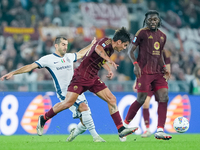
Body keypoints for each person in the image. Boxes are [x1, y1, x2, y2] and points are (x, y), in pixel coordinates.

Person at [34, 27, 138, 140]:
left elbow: (99, 58)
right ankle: (43, 118)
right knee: (67, 103)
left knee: (112, 99)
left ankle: (121, 129)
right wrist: (109, 59)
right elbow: (98, 49)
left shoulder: (111, 49)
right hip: (81, 76)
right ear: (119, 42)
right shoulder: (106, 42)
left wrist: (108, 69)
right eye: (125, 45)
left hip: (93, 78)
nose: (124, 48)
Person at [1, 36, 106, 142]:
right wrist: (14, 72)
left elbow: (81, 53)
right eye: (63, 44)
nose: (65, 47)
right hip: (64, 91)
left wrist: (91, 45)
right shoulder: (48, 59)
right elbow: (30, 66)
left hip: (77, 89)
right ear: (56, 45)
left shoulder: (69, 57)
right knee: (84, 108)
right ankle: (96, 137)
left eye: (66, 45)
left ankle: (57, 126)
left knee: (85, 121)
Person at [123, 10, 172, 140]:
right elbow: (130, 51)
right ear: (146, 21)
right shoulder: (141, 33)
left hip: (158, 72)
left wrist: (164, 68)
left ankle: (160, 130)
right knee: (141, 99)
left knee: (164, 97)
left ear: (159, 21)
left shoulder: (163, 36)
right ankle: (124, 125)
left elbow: (159, 55)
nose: (152, 22)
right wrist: (135, 64)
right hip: (144, 71)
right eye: (150, 19)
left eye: (155, 19)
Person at [139, 49, 171, 138]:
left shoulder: (165, 53)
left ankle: (160, 128)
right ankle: (147, 129)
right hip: (148, 81)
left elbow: (168, 68)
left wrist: (164, 81)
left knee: (160, 103)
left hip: (159, 81)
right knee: (145, 103)